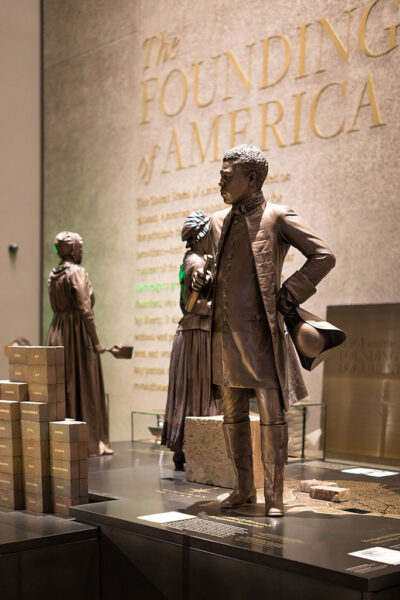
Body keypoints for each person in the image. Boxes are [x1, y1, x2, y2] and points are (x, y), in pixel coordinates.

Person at [197, 145, 336, 516]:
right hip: (225, 334)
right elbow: (215, 265)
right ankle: (243, 487)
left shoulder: (277, 217)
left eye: (228, 177)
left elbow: (323, 255)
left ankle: (274, 495)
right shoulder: (216, 222)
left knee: (273, 416)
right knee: (232, 415)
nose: (221, 182)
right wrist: (204, 275)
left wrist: (289, 293)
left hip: (261, 334)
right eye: (221, 176)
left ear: (253, 179)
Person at [46, 231, 113, 456]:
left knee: (64, 386)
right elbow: (85, 308)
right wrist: (97, 342)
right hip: (76, 335)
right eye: (79, 246)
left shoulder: (53, 275)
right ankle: (91, 442)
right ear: (72, 248)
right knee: (84, 386)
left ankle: (65, 442)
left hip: (56, 333)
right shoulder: (78, 272)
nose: (81, 251)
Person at [161, 211, 215, 470]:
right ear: (203, 235)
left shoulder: (190, 259)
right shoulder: (196, 263)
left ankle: (182, 448)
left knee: (190, 390)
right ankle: (194, 447)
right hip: (197, 333)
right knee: (198, 390)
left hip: (190, 332)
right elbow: (194, 305)